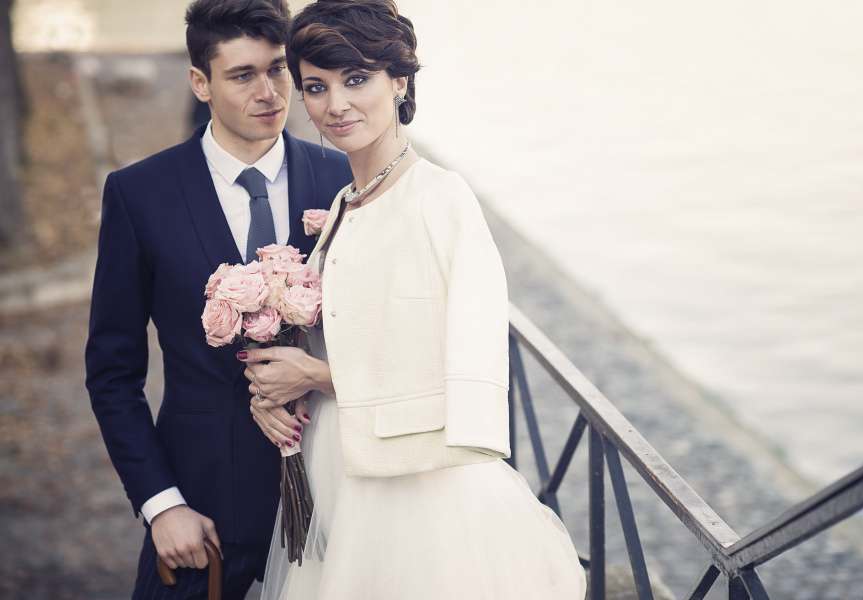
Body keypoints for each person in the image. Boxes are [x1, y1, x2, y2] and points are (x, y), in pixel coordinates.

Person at [242, 1, 587, 598]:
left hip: (419, 484)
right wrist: (276, 390)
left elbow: (469, 363)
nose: (336, 104)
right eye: (317, 87)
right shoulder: (345, 205)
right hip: (341, 467)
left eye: (357, 79)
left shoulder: (440, 199)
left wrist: (317, 376)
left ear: (399, 80)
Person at [83, 1, 351, 598]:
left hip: (334, 496)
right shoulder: (139, 195)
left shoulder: (341, 180)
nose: (269, 93)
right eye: (242, 75)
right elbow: (112, 373)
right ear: (200, 83)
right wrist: (161, 504)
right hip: (199, 506)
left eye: (277, 69)